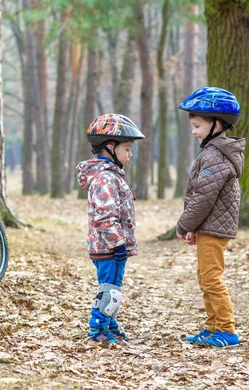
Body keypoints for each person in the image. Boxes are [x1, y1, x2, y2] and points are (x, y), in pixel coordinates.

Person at [176, 87, 245, 347]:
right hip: (209, 227)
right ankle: (213, 326)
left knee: (211, 279)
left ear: (216, 124)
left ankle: (226, 330)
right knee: (205, 278)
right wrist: (195, 226)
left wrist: (184, 225)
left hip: (214, 230)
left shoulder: (216, 156)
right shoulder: (213, 152)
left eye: (197, 125)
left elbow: (203, 197)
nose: (194, 131)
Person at [76, 113, 145, 343]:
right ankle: (97, 329)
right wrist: (117, 243)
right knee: (109, 291)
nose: (130, 154)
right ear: (109, 147)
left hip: (111, 246)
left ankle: (110, 323)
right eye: (127, 149)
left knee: (113, 288)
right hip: (109, 246)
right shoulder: (105, 178)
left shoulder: (111, 176)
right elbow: (105, 216)